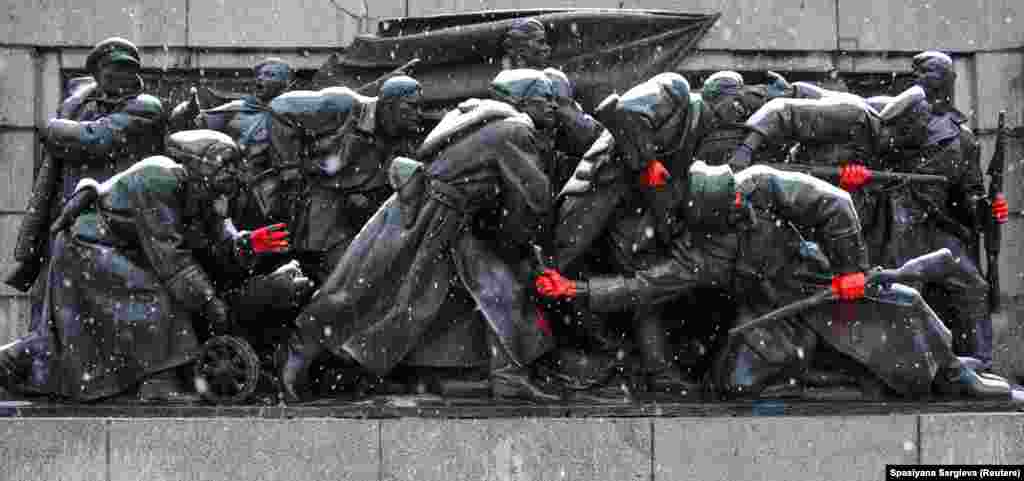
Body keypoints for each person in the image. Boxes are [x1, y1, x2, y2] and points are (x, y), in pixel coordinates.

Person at [537, 161, 1013, 401]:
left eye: (740, 202)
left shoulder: (759, 183)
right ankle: (833, 370)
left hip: (821, 281)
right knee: (735, 383)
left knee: (902, 303)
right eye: (733, 212)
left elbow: (833, 204)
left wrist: (849, 269)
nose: (743, 209)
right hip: (773, 311)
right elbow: (642, 286)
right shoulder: (703, 252)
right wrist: (575, 290)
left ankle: (953, 371)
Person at [280, 69, 561, 402]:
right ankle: (298, 353)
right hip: (429, 217)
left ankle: (508, 376)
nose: (555, 106)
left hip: (440, 215)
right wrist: (518, 238)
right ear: (523, 100)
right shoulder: (514, 130)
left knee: (498, 286)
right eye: (546, 98)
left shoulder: (480, 117)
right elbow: (534, 198)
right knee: (365, 290)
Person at [0, 131, 292, 402]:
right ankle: (158, 382)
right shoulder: (158, 179)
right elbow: (172, 259)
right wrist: (209, 301)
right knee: (155, 299)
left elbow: (217, 245)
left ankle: (15, 360)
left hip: (127, 251)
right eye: (225, 164)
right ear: (200, 164)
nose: (234, 172)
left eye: (235, 165)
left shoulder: (209, 196)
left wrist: (246, 244)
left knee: (76, 342)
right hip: (89, 247)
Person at [5, 37, 165, 292]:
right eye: (111, 69)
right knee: (55, 291)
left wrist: (53, 127)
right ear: (98, 75)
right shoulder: (82, 107)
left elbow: (94, 139)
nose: (120, 75)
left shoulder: (145, 107)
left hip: (115, 218)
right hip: (68, 213)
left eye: (126, 68)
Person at [291, 75, 424, 283]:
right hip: (326, 225)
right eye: (412, 107)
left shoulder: (404, 143)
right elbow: (279, 109)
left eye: (419, 107)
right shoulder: (345, 109)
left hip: (365, 227)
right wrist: (287, 169)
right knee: (343, 282)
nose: (419, 114)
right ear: (389, 106)